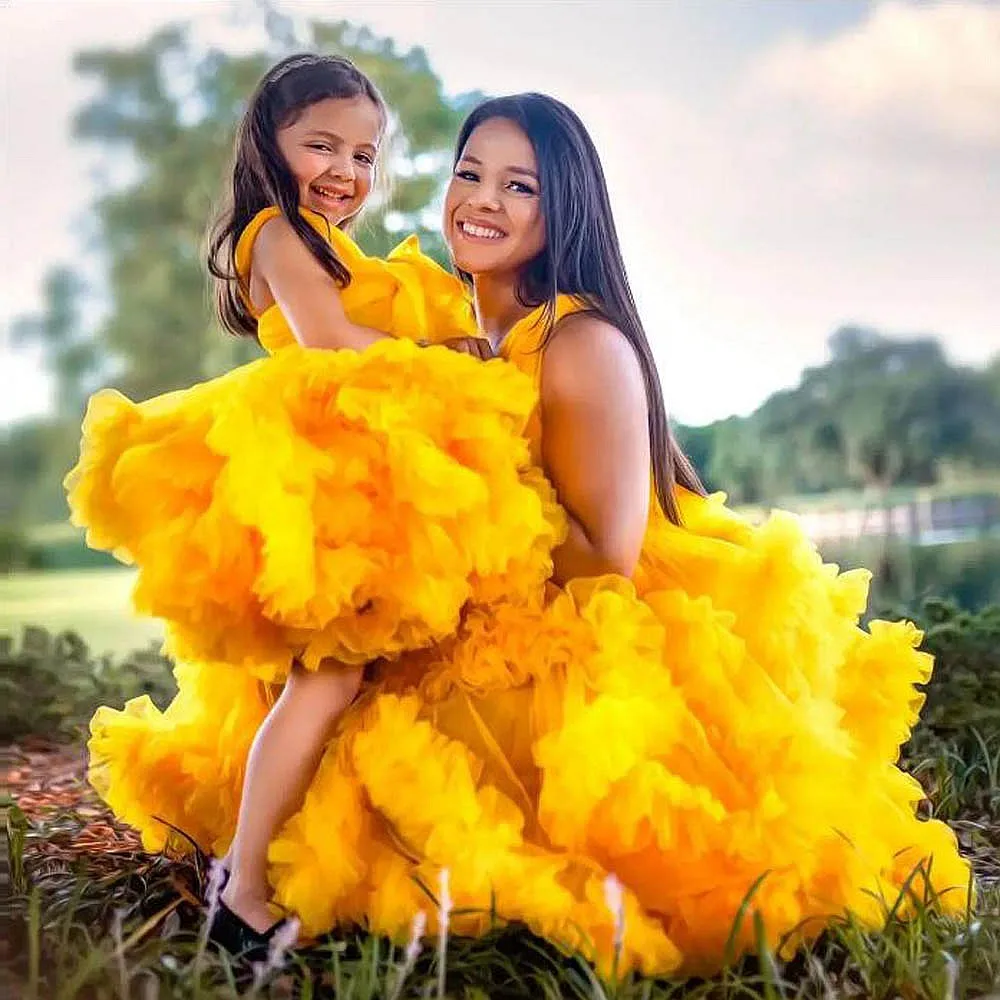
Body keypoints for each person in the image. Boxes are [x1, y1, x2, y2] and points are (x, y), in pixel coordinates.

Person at [79, 91, 972, 975]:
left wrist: (449, 579)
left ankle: (263, 883)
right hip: (497, 587)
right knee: (324, 673)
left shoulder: (578, 342)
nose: (482, 200)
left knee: (407, 727)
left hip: (586, 617)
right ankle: (250, 876)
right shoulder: (466, 328)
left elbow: (607, 558)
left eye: (520, 187)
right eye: (470, 173)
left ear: (565, 208)